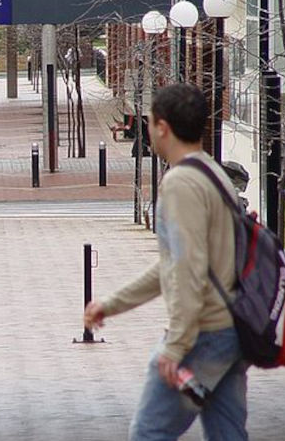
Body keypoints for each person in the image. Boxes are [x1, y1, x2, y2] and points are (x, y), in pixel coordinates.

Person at [83, 84, 248, 440]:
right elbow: (174, 263)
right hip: (231, 329)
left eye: (148, 122)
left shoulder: (181, 184)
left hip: (201, 335)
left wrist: (175, 346)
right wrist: (111, 305)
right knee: (227, 434)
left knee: (149, 433)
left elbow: (189, 269)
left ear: (161, 127)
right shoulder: (215, 175)